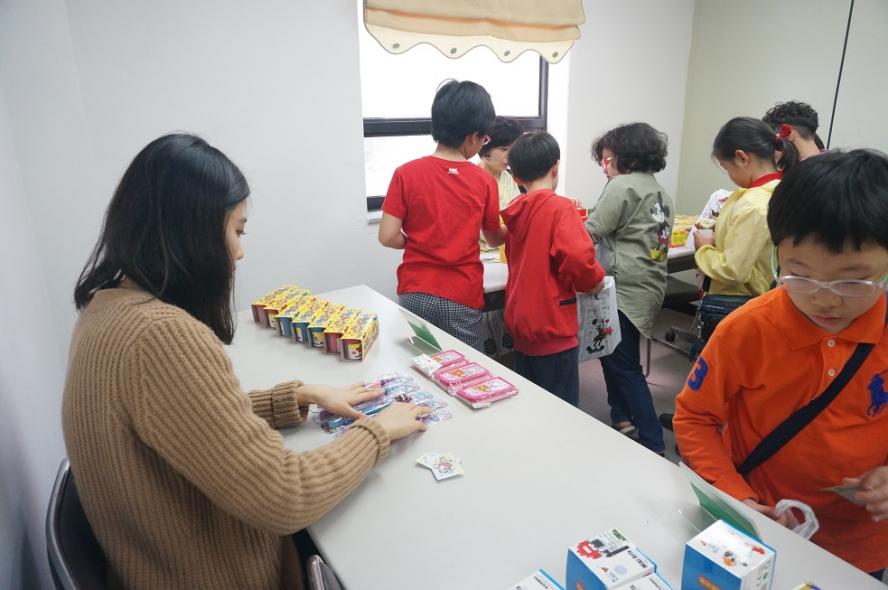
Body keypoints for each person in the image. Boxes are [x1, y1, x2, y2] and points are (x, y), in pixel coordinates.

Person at [63, 133, 432, 589]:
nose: (239, 253)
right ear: (191, 233)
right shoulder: (160, 337)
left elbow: (184, 418)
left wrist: (298, 395)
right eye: (237, 231)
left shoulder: (105, 308)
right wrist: (377, 431)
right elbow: (285, 496)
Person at [674, 150, 888, 579]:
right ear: (777, 257)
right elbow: (695, 417)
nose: (824, 299)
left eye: (852, 280)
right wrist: (738, 498)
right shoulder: (747, 329)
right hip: (766, 527)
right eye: (799, 275)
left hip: (862, 545)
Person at [378, 80, 507, 350]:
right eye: (484, 138)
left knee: (421, 359)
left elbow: (388, 236)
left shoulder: (406, 173)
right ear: (473, 137)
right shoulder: (484, 181)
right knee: (465, 365)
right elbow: (493, 238)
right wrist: (519, 225)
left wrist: (413, 242)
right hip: (461, 294)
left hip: (415, 290)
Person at [585, 122, 673, 454]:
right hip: (648, 286)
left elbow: (591, 231)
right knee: (612, 355)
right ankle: (621, 417)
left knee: (624, 366)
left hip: (623, 288)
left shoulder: (621, 185)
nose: (604, 167)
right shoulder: (659, 191)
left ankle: (653, 442)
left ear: (627, 157)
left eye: (606, 160)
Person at [500, 131, 605, 406]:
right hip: (552, 326)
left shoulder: (515, 211)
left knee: (532, 404)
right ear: (556, 168)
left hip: (523, 326)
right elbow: (579, 257)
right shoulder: (560, 208)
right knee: (561, 408)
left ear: (515, 178)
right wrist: (594, 282)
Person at [693, 116, 799, 340]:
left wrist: (704, 248)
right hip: (760, 295)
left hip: (735, 303)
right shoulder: (779, 191)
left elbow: (733, 270)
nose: (729, 175)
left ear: (741, 157)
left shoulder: (754, 204)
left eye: (726, 167)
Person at [478, 116, 524, 209]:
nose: (510, 155)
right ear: (486, 146)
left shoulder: (513, 179)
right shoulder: (472, 179)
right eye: (504, 149)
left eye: (513, 149)